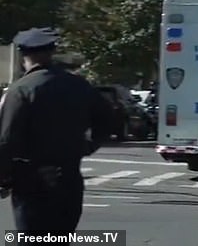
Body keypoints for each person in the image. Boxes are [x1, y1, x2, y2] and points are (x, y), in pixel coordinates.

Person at [0, 27, 113, 239]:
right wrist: (87, 146)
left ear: (24, 55)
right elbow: (107, 120)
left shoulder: (21, 90)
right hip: (68, 178)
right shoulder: (78, 86)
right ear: (52, 52)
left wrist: (3, 178)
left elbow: (7, 139)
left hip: (31, 181)